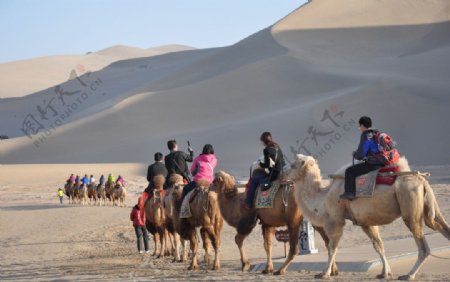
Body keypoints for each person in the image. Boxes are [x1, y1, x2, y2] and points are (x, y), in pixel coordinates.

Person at [340, 116, 386, 200]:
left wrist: (355, 155)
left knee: (349, 171)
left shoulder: (366, 135)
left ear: (362, 125)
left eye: (359, 126)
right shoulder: (376, 132)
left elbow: (361, 154)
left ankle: (349, 193)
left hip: (373, 164)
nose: (359, 128)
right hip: (382, 162)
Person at [244, 132, 286, 209]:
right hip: (282, 173)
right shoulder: (277, 147)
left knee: (254, 180)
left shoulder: (267, 150)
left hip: (274, 175)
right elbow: (281, 162)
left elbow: (266, 164)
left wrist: (261, 164)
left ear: (264, 141)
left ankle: (248, 203)